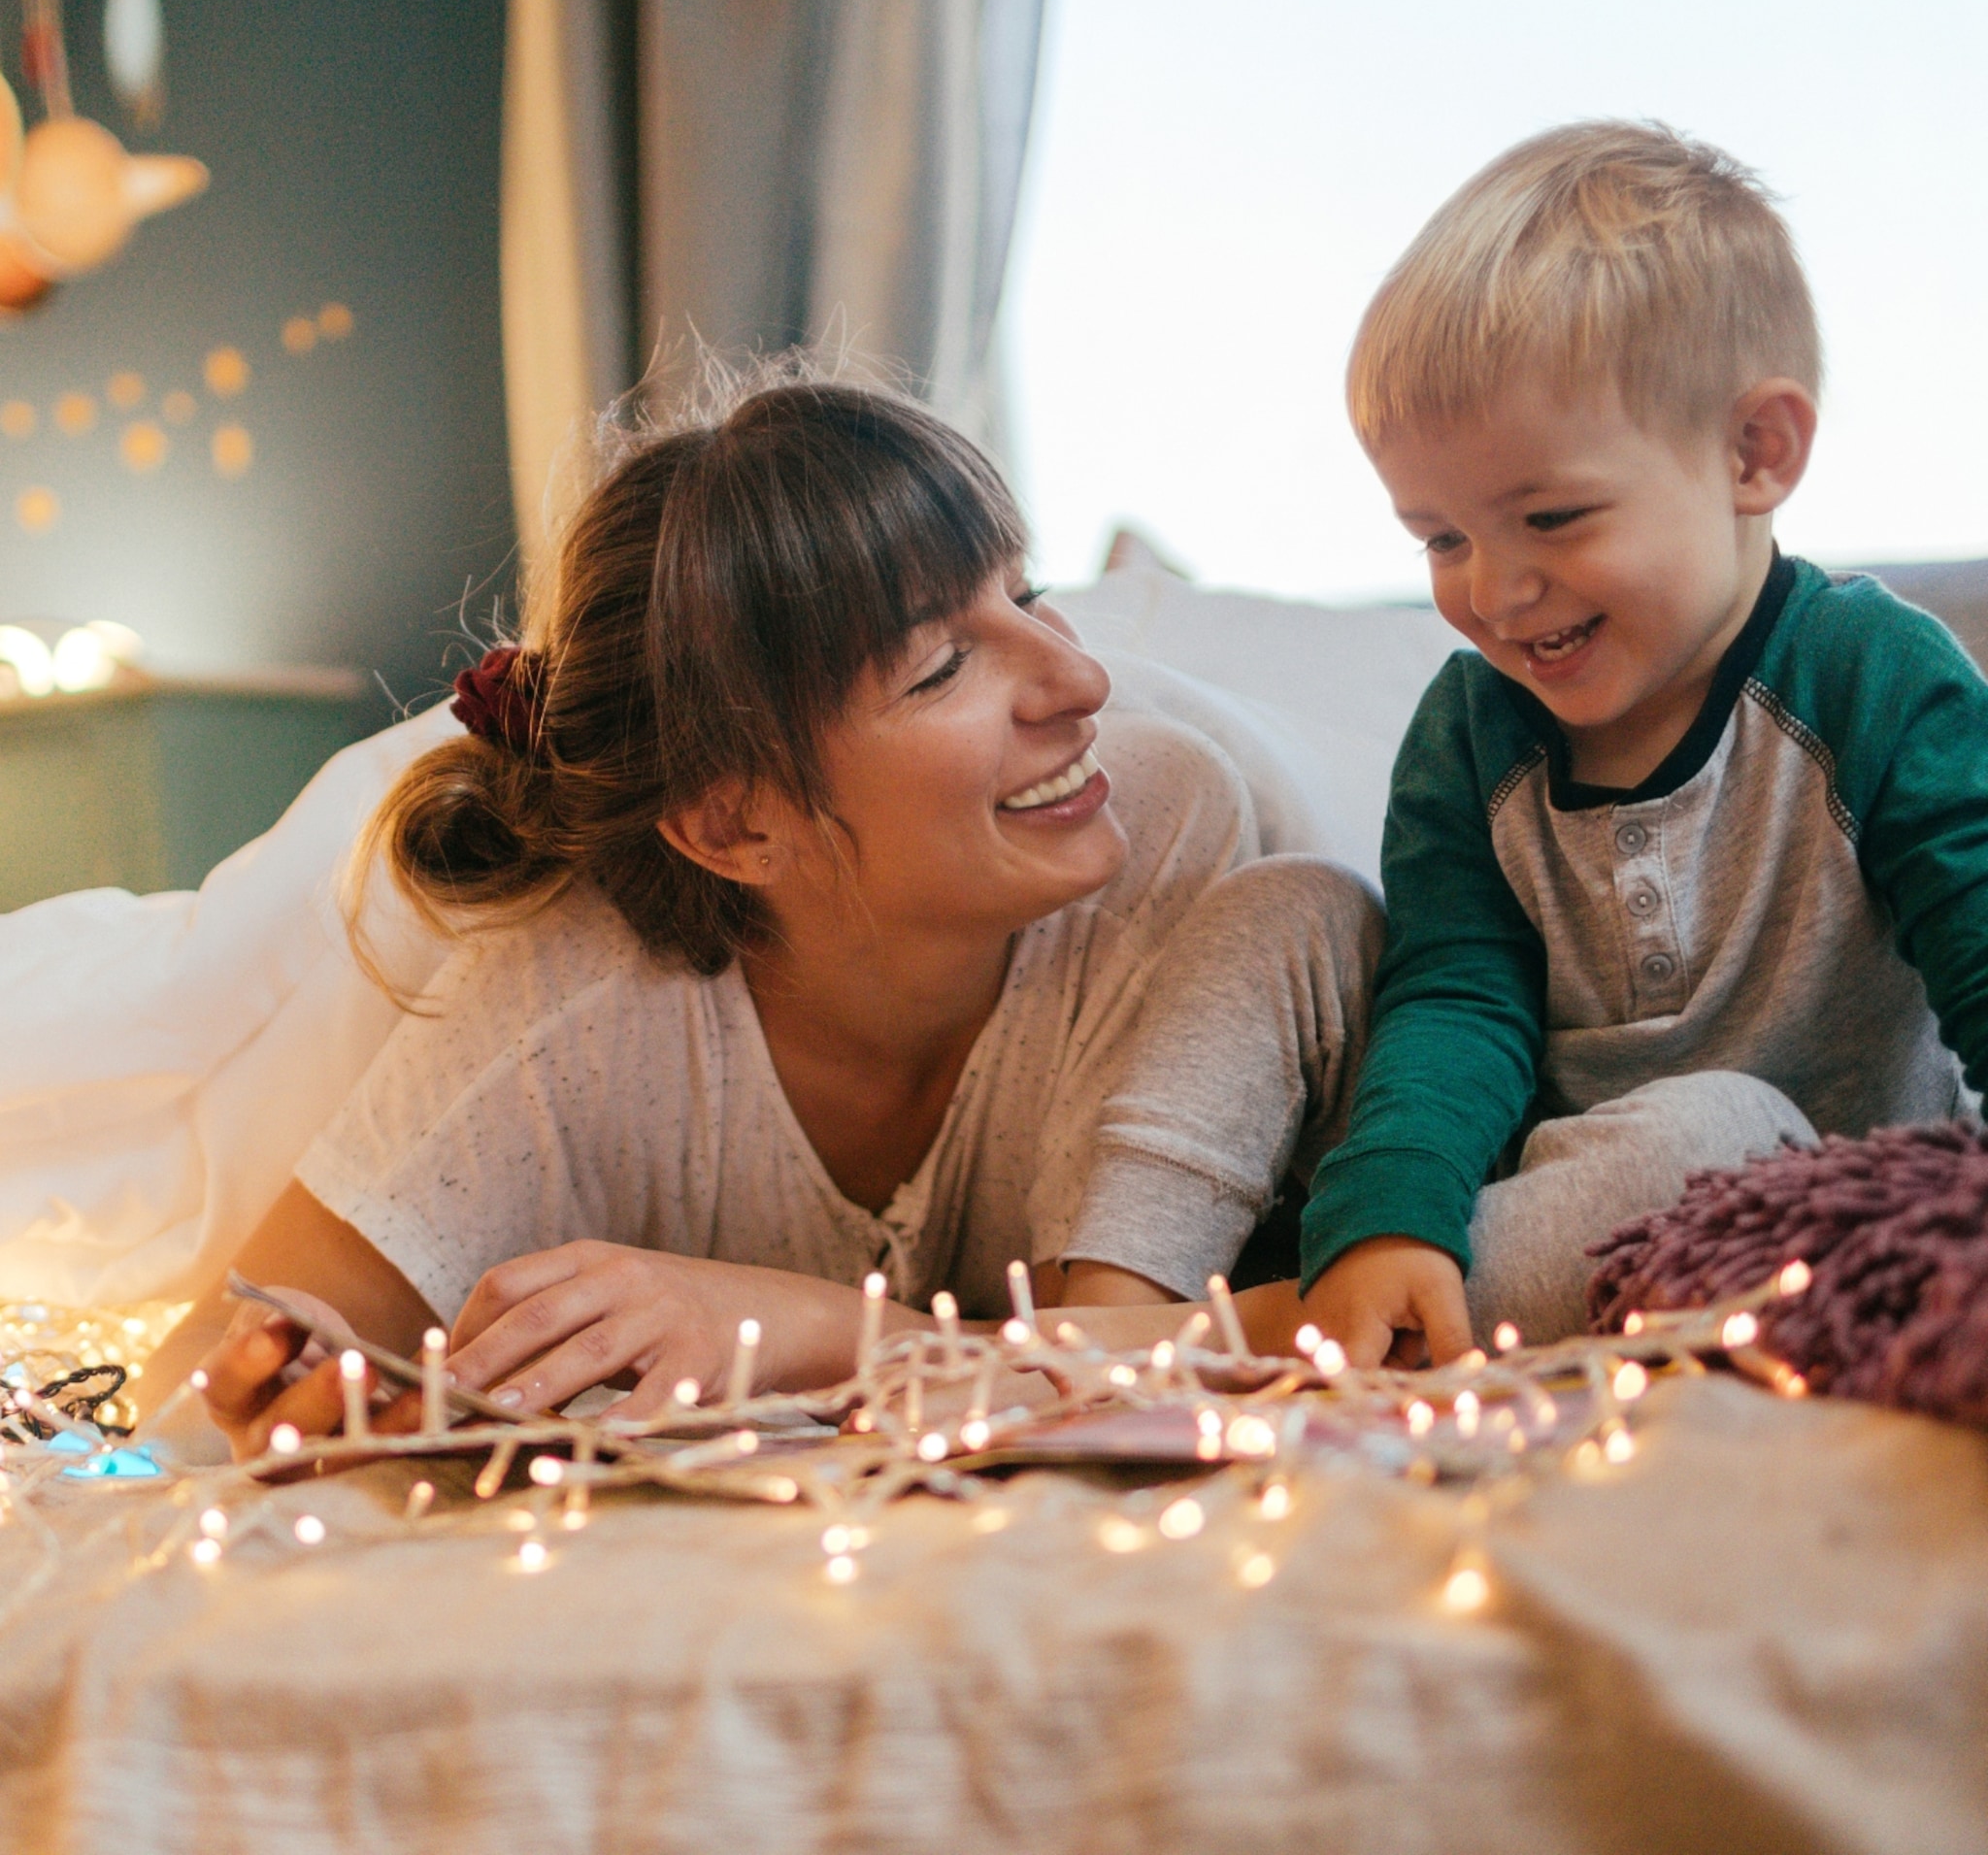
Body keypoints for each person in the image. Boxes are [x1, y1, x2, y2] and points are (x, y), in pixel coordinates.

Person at [140, 365, 1379, 1456]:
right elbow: (210, 1383)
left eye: (1028, 589)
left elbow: (1095, 1361)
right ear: (735, 824)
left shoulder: (1158, 839)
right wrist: (289, 1391)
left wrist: (806, 1327)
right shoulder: (584, 1000)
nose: (1078, 675)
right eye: (942, 664)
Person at [1232, 119, 1988, 1368]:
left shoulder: (1871, 678)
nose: (1497, 589)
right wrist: (1388, 1212)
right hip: (1561, 1189)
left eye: (1550, 516)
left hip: (1815, 1206)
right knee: (1283, 920)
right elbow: (1456, 995)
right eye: (1441, 539)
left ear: (1754, 452)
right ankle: (1316, 1285)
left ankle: (1270, 1320)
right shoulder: (1470, 732)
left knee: (1711, 1125)